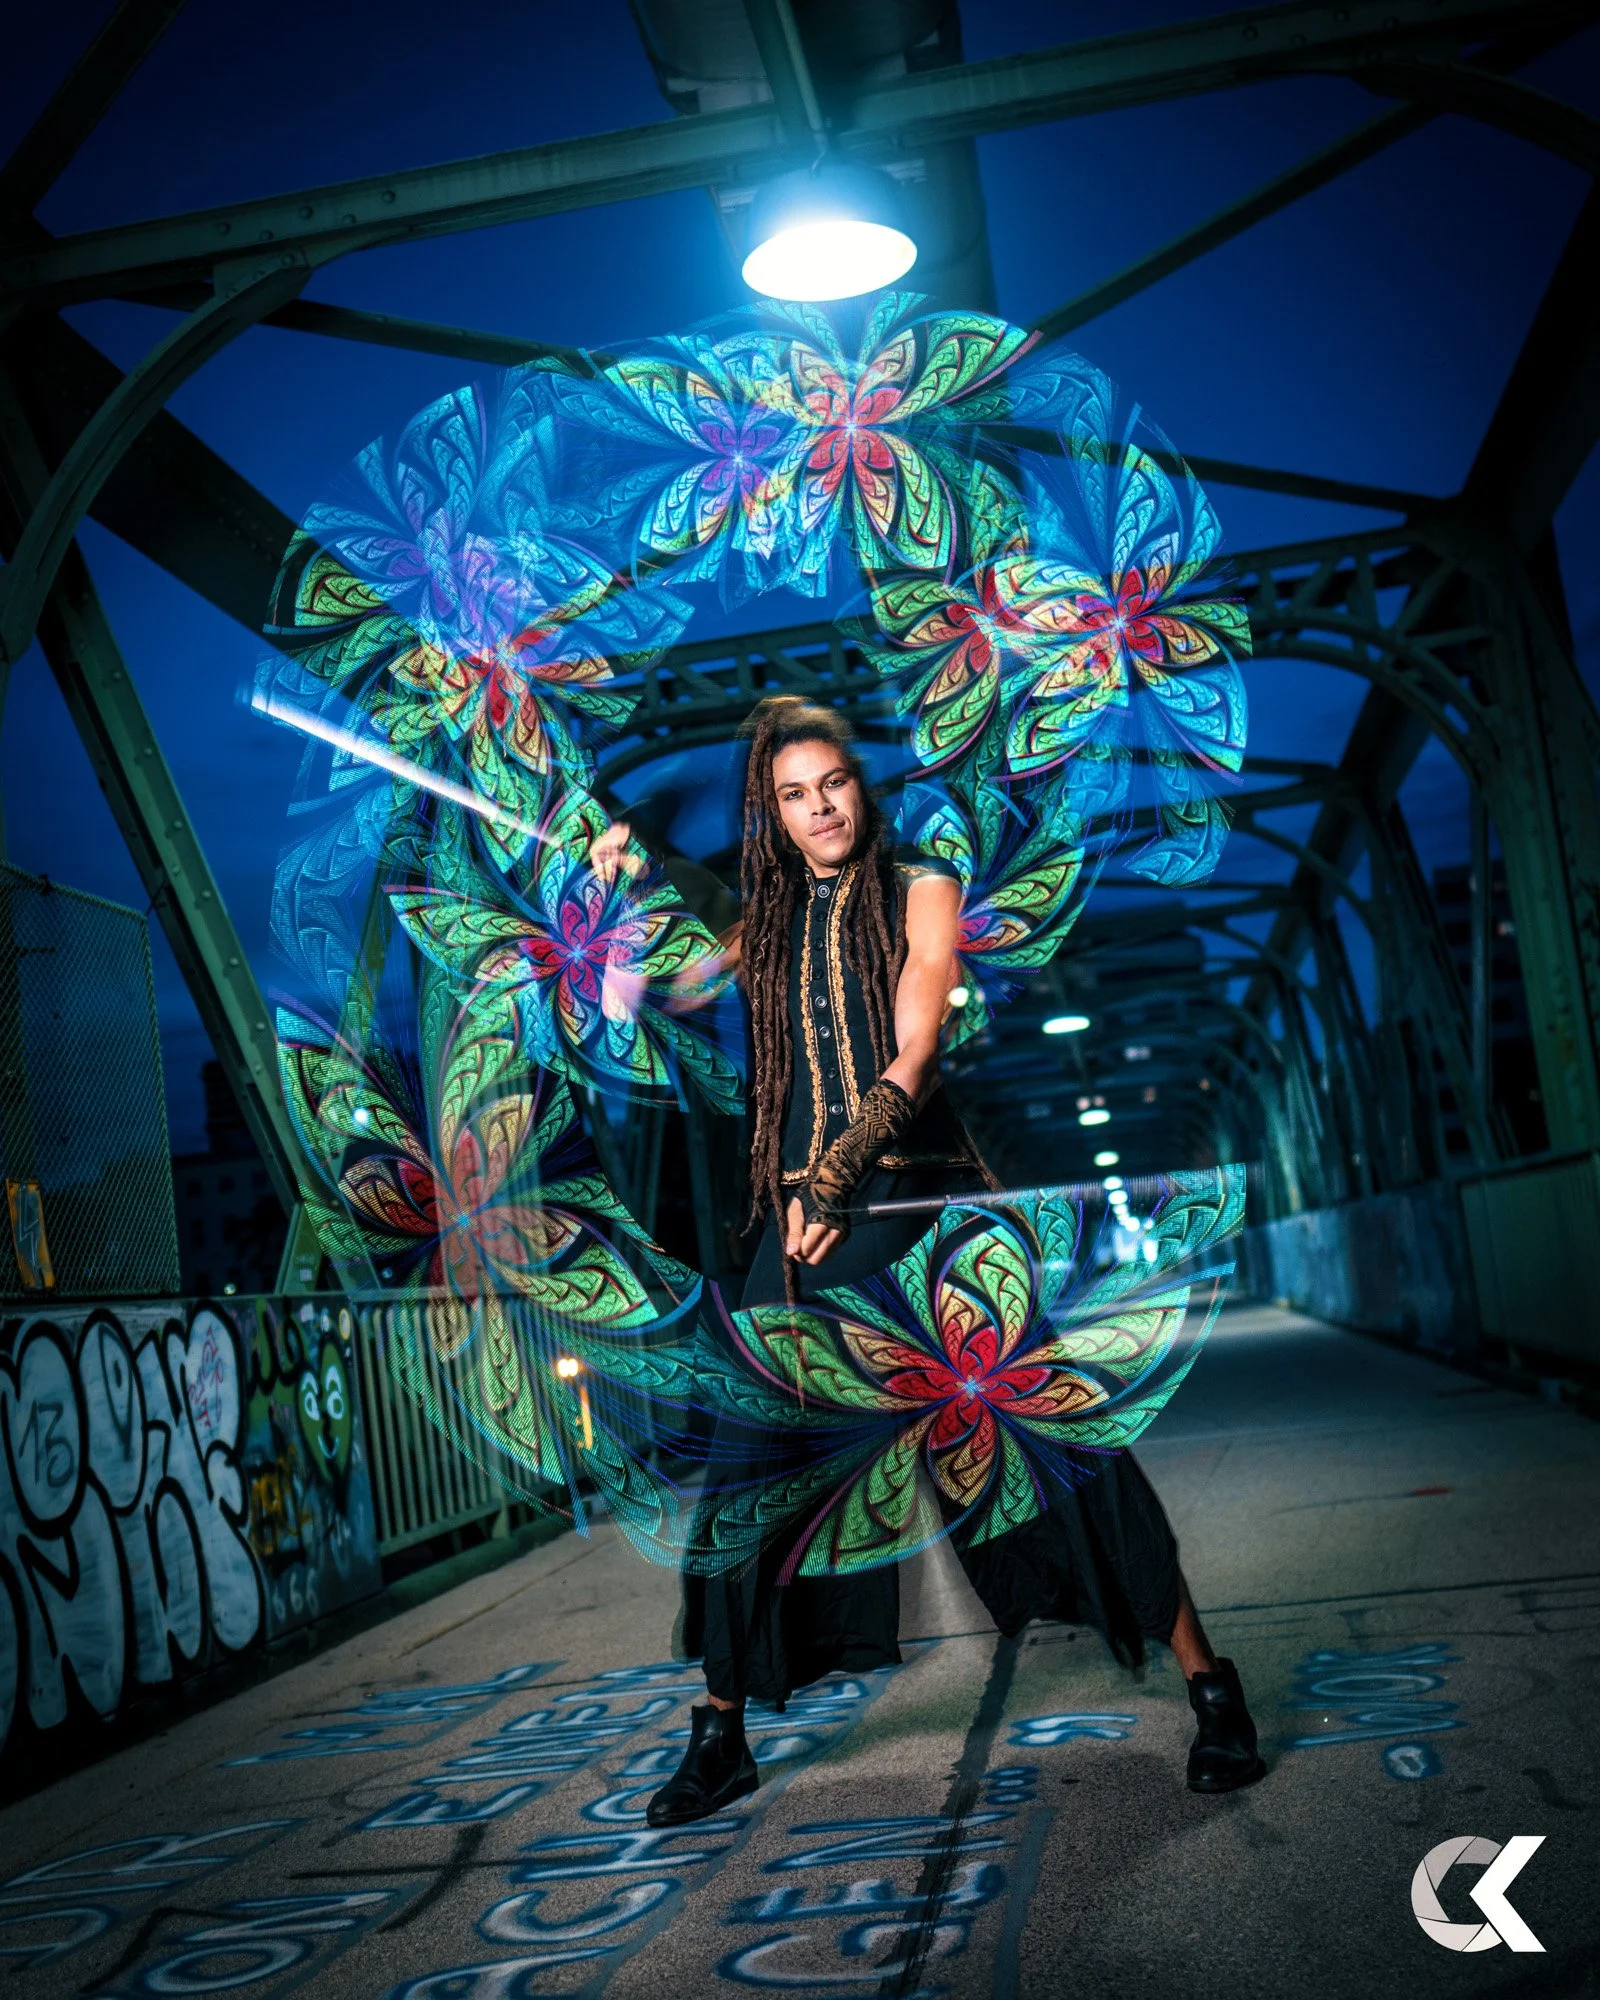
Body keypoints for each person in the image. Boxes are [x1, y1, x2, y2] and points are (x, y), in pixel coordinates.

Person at [621, 697, 1263, 1825]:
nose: (821, 808)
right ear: (771, 813)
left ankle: (1211, 1687)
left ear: (860, 788)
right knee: (745, 1480)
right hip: (795, 1237)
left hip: (917, 1211)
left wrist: (836, 1177)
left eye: (834, 784)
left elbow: (915, 1051)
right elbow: (663, 987)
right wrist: (621, 882)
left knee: (1055, 1449)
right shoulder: (761, 925)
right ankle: (719, 1734)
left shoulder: (920, 885)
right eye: (794, 795)